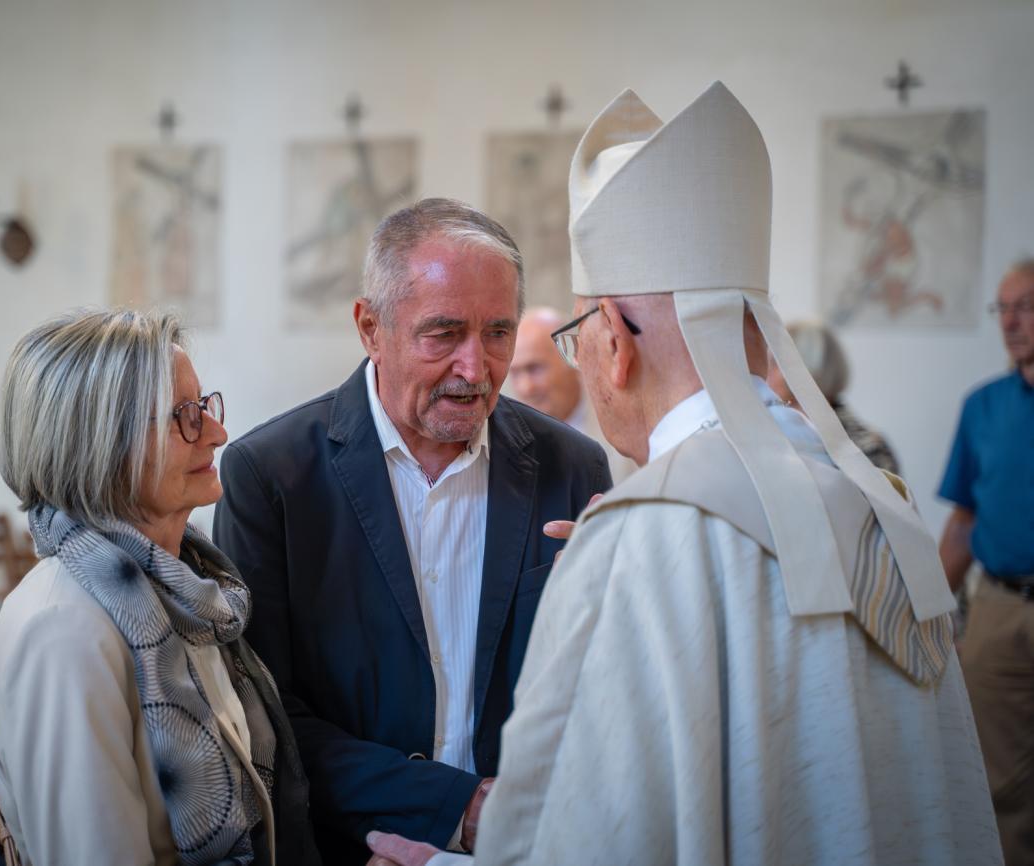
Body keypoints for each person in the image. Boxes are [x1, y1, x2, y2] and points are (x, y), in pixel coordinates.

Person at [366, 82, 999, 866]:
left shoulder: (635, 541)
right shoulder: (881, 508)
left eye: (575, 334)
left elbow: (576, 842)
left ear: (616, 345)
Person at [213, 198, 611, 864]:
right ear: (371, 326)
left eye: (497, 333)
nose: (475, 368)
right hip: (350, 845)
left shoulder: (570, 465)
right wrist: (453, 808)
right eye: (444, 333)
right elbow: (265, 713)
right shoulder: (273, 476)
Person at [0, 309, 319, 866]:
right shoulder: (63, 631)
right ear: (97, 446)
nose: (217, 432)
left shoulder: (189, 590)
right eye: (185, 416)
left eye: (205, 406)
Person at [938, 258, 1034, 863]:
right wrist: (925, 610)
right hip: (998, 613)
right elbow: (963, 524)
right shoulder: (983, 408)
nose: (1010, 321)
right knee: (995, 784)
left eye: (1024, 304)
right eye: (1002, 308)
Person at [509, 306, 637, 482]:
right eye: (515, 373)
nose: (525, 387)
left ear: (573, 356)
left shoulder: (624, 427)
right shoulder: (507, 441)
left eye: (534, 368)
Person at [765, 320, 900, 473]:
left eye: (775, 363)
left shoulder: (867, 448)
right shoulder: (774, 431)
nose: (766, 373)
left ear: (805, 369)